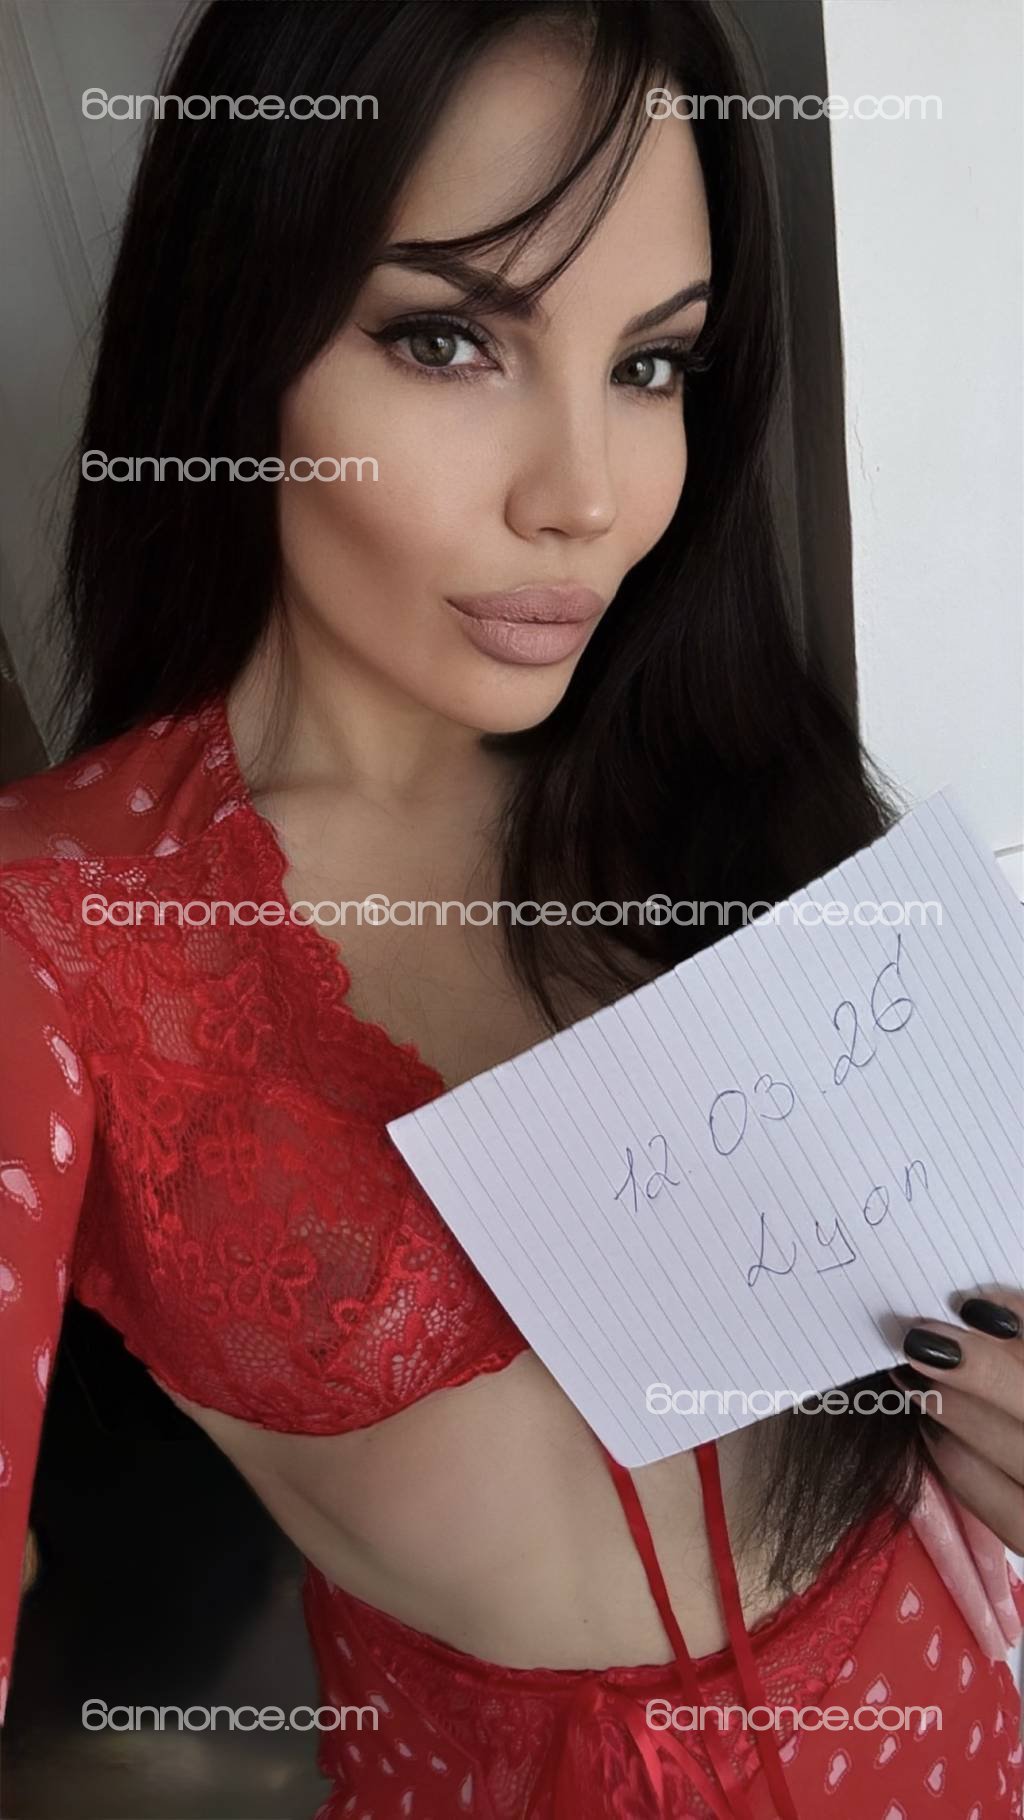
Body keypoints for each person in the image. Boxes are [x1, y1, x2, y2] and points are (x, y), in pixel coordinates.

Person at [2, 3, 1022, 1814]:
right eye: (449, 338)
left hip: (935, 1716)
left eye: (653, 365)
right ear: (234, 337)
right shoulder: (61, 926)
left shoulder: (738, 766)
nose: (588, 500)